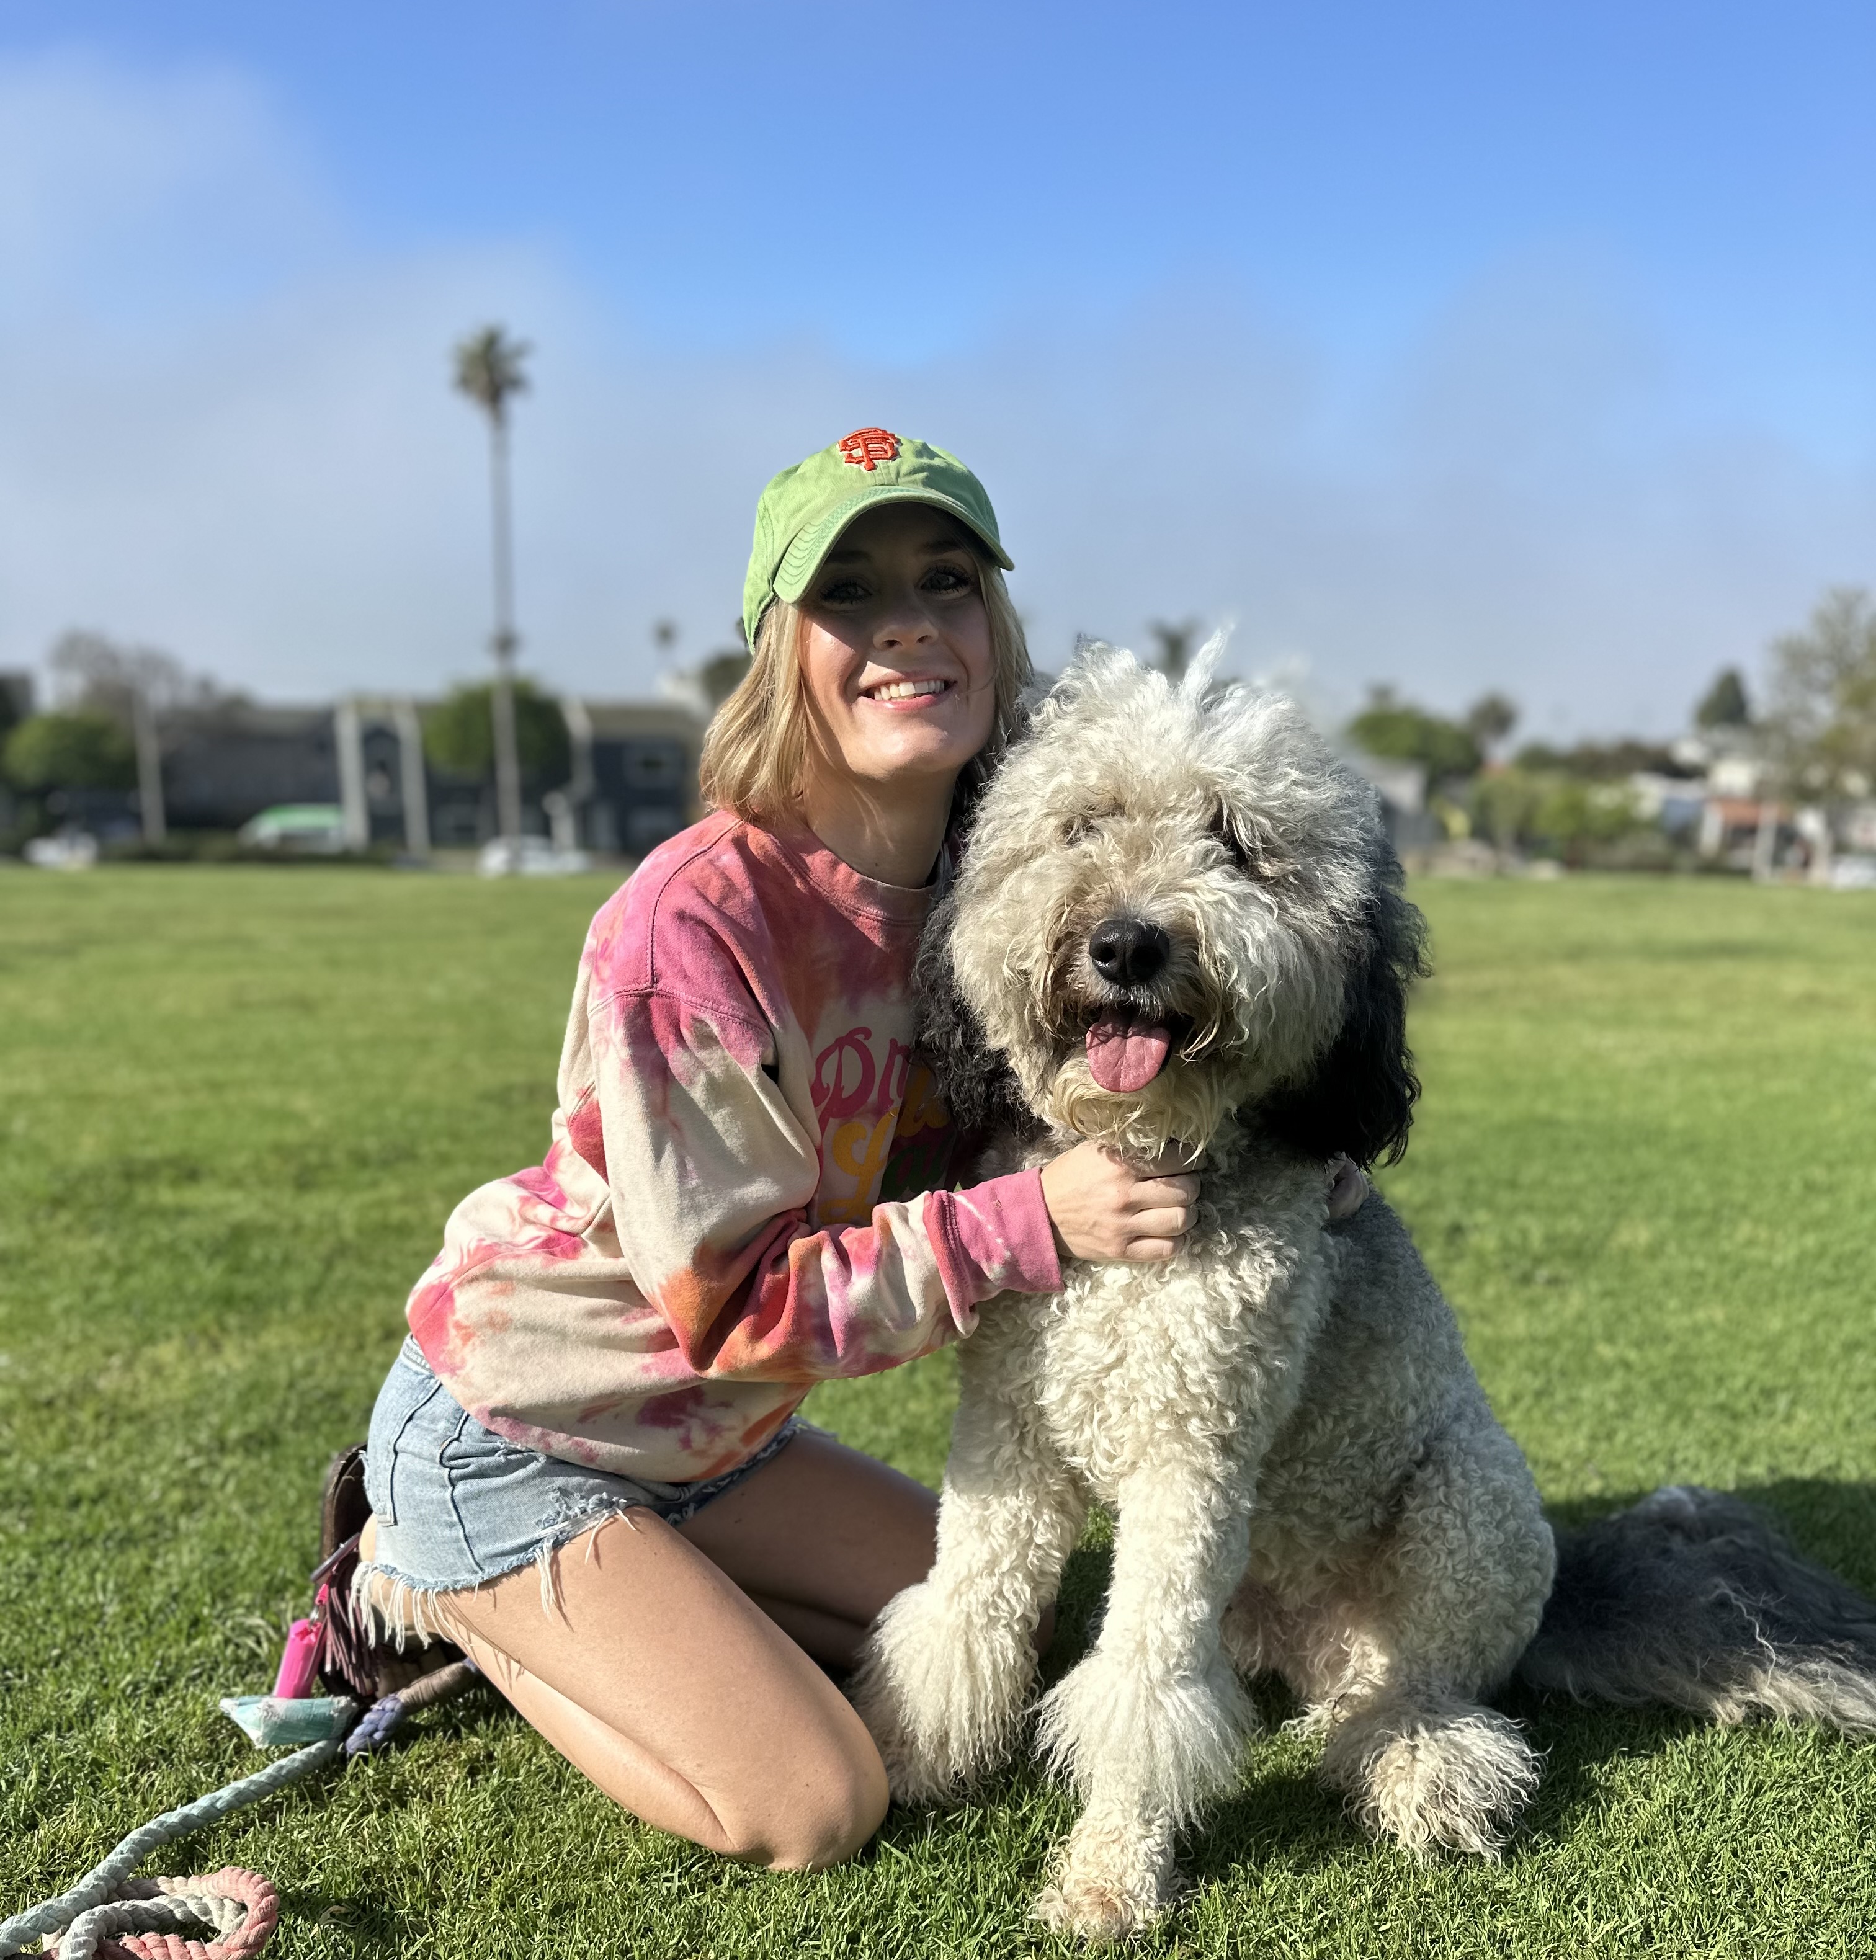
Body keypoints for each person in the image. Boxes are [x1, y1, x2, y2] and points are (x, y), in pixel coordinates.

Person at [355, 429, 1347, 1874]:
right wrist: (1035, 1221)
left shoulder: (991, 895)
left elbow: (1107, 1083)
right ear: (783, 651)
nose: (904, 625)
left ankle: (644, 1598)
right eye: (848, 594)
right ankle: (429, 1584)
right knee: (820, 1801)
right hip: (523, 1424)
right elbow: (733, 1306)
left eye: (945, 582)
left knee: (1018, 1634)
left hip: (714, 1448)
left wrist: (1293, 1146)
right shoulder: (688, 923)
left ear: (992, 634)